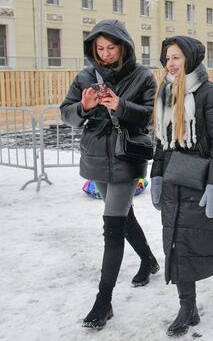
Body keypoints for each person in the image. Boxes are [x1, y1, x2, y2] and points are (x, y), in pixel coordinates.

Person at [60, 20, 159, 329]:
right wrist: (84, 107)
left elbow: (151, 115)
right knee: (123, 216)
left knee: (112, 225)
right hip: (95, 155)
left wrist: (120, 105)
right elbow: (66, 112)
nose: (104, 54)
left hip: (126, 157)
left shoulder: (142, 76)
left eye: (110, 48)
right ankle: (149, 260)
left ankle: (104, 301)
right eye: (99, 48)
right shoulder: (86, 76)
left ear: (124, 47)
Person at [150, 36, 213, 337]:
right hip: (175, 179)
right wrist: (157, 175)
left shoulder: (209, 94)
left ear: (190, 59)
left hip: (203, 180)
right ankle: (188, 307)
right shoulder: (166, 92)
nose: (170, 64)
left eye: (176, 58)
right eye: (167, 58)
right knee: (177, 244)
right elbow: (162, 142)